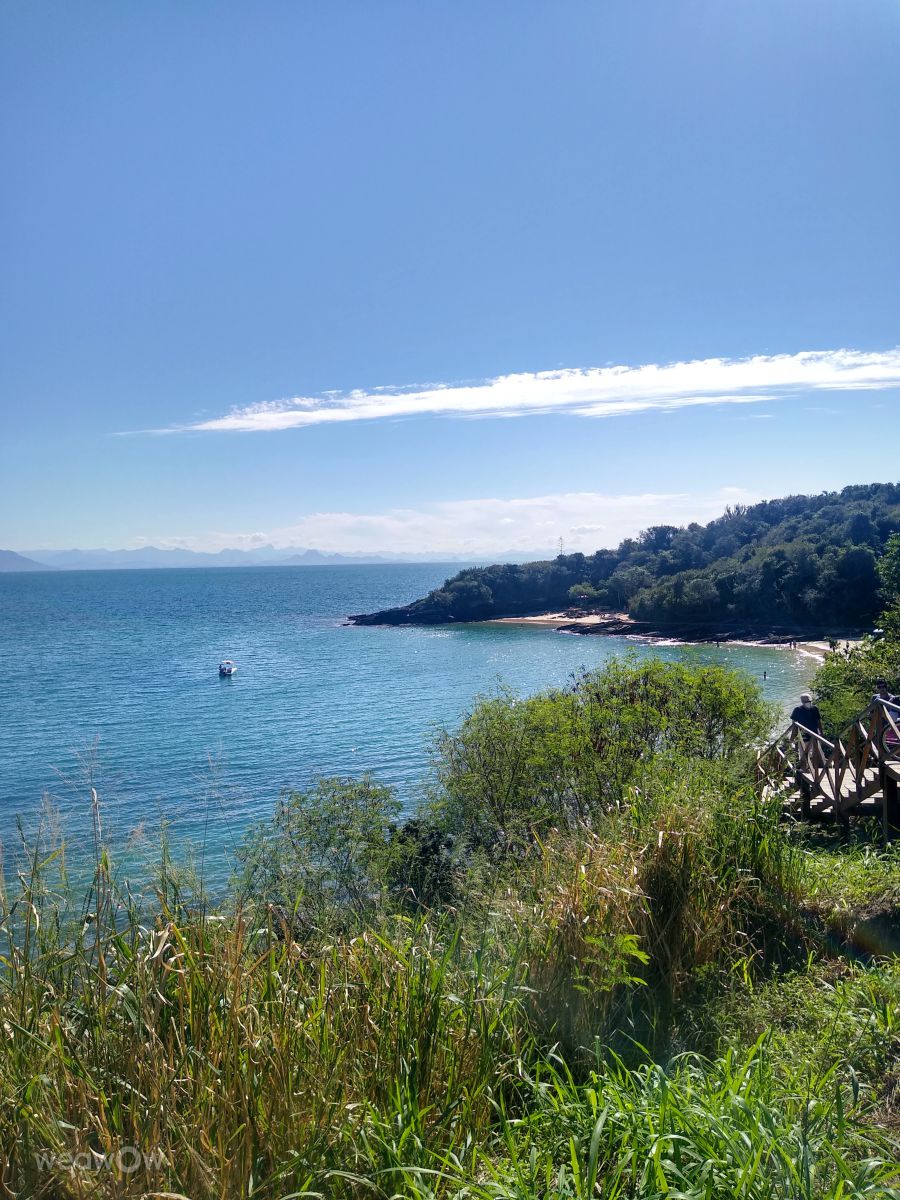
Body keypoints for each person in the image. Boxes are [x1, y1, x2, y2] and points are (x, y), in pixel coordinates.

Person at [790, 693, 822, 768]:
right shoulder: (798, 710)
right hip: (806, 736)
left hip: (811, 735)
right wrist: (792, 738)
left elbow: (819, 722)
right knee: (805, 753)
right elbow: (794, 726)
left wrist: (821, 733)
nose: (808, 703)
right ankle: (807, 769)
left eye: (809, 701)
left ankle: (813, 771)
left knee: (813, 753)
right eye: (807, 701)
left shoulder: (813, 709)